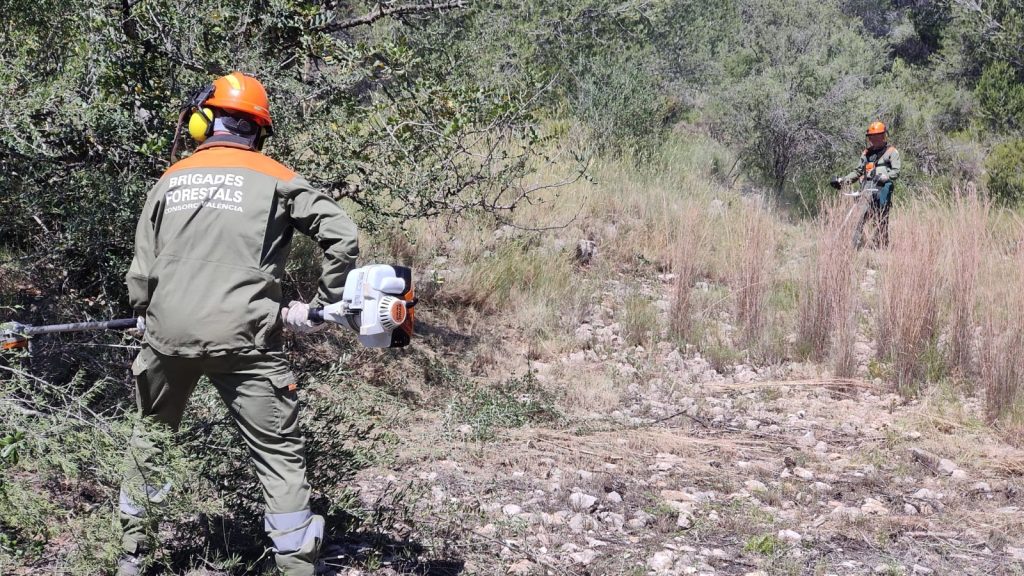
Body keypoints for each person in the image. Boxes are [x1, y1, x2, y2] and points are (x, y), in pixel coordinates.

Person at [117, 72, 359, 576]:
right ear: (258, 131)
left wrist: (145, 313)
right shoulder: (277, 176)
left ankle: (131, 557)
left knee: (151, 440)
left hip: (167, 335)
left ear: (204, 123)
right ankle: (295, 566)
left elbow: (141, 269)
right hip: (246, 338)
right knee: (278, 454)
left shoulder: (171, 178)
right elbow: (341, 234)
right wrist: (323, 304)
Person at [831, 121, 902, 248]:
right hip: (866, 188)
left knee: (881, 218)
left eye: (876, 136)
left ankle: (881, 247)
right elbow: (857, 171)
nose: (873, 139)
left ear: (883, 136)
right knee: (859, 216)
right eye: (871, 137)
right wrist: (843, 181)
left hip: (882, 188)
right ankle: (853, 246)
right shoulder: (866, 153)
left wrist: (885, 176)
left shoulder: (891, 151)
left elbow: (896, 172)